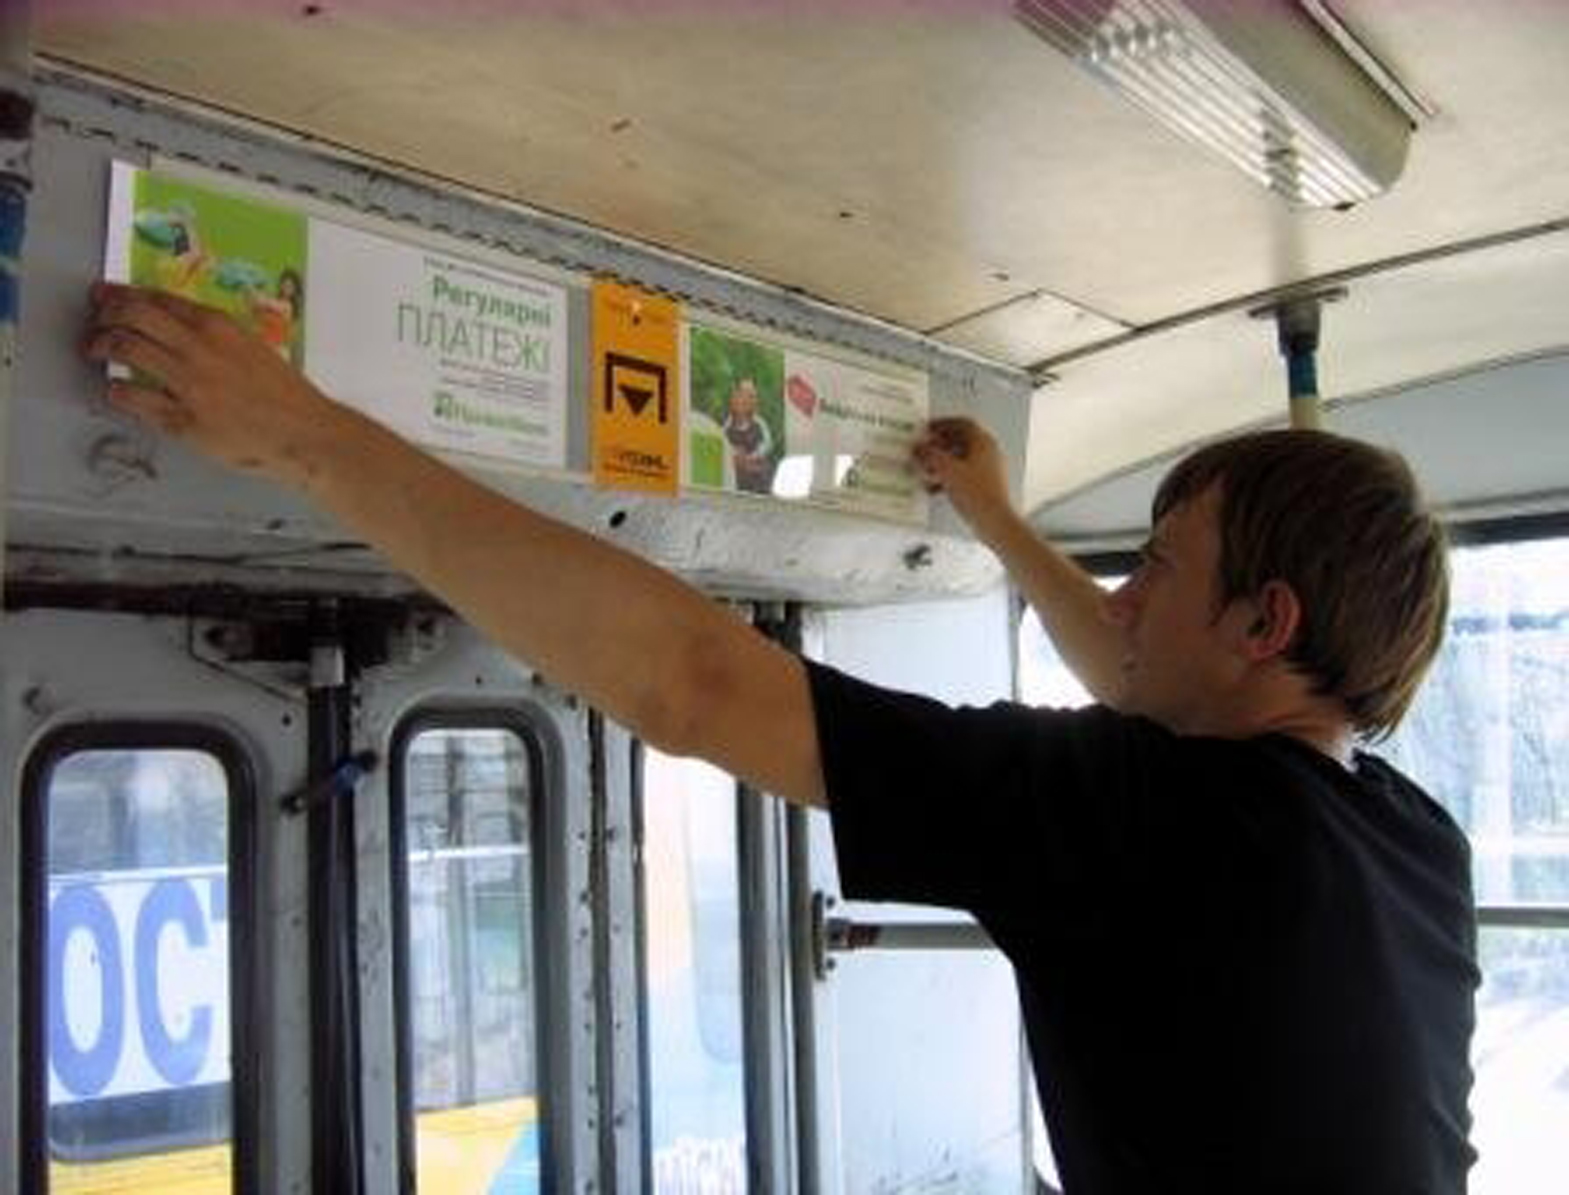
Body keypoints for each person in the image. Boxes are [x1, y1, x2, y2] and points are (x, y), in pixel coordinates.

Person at [83, 283, 1477, 1193]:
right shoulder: (1411, 843)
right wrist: (994, 522)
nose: (1123, 596)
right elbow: (1133, 665)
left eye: (1156, 566)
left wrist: (305, 437)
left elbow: (694, 682)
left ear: (1263, 622)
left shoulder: (1149, 820)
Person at [720, 375, 776, 494]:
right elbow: (722, 442)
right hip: (734, 471)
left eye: (751, 396)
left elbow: (767, 444)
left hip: (755, 471)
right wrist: (735, 454)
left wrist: (752, 457)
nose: (747, 400)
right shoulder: (728, 424)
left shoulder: (759, 423)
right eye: (743, 395)